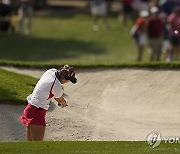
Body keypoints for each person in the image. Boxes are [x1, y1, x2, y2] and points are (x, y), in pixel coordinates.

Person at [19, 65, 77, 141]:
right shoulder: (57, 87)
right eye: (68, 80)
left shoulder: (51, 71)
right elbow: (59, 99)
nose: (67, 82)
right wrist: (64, 103)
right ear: (63, 78)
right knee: (38, 146)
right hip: (37, 111)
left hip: (30, 108)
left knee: (31, 145)